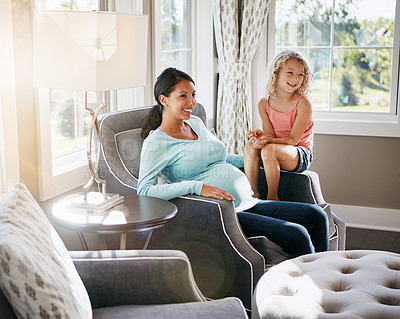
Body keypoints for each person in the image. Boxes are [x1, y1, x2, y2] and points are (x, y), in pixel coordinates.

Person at [137, 67, 328, 258]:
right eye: (183, 96)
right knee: (297, 234)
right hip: (224, 213)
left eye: (193, 95)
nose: (192, 102)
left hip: (249, 201)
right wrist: (197, 187)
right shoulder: (156, 142)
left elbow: (221, 158)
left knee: (316, 216)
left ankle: (326, 276)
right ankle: (302, 284)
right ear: (164, 100)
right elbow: (144, 190)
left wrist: (257, 155)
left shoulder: (194, 122)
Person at [244, 50, 314, 201]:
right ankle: (252, 195)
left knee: (269, 149)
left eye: (300, 75)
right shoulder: (264, 103)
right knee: (250, 145)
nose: (295, 79)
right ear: (276, 74)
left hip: (300, 153)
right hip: (276, 148)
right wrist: (262, 137)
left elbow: (293, 140)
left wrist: (268, 142)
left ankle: (272, 198)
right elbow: (271, 136)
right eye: (290, 73)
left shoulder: (303, 104)